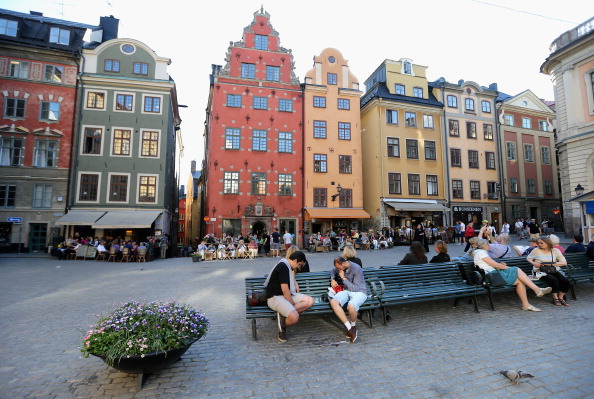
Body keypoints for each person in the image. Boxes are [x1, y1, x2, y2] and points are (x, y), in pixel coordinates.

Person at [473, 239, 551, 311]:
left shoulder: (481, 253)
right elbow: (496, 266)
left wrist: (500, 265)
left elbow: (490, 265)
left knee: (520, 282)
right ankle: (537, 290)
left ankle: (526, 305)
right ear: (484, 246)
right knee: (516, 269)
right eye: (488, 245)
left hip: (494, 275)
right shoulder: (480, 253)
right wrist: (507, 267)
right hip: (491, 277)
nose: (489, 246)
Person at [264, 251, 314, 342]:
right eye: (299, 264)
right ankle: (282, 326)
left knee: (309, 301)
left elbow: (287, 289)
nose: (299, 267)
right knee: (295, 317)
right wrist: (291, 303)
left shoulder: (287, 266)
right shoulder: (283, 266)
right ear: (295, 260)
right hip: (275, 297)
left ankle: (283, 316)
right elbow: (285, 289)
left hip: (284, 295)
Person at [330, 256, 368, 343]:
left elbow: (355, 288)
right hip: (347, 291)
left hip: (360, 291)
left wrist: (343, 278)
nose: (338, 269)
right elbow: (333, 271)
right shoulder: (340, 267)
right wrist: (332, 279)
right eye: (337, 268)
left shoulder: (356, 269)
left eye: (339, 267)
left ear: (343, 263)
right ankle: (350, 329)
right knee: (333, 302)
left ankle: (353, 326)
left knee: (351, 307)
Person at [527, 237, 571, 306]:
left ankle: (560, 297)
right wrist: (534, 263)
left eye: (542, 243)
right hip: (539, 271)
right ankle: (555, 298)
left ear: (548, 243)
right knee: (554, 280)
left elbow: (564, 262)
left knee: (565, 281)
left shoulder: (555, 250)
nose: (539, 244)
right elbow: (528, 258)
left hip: (552, 270)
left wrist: (549, 263)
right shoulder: (536, 250)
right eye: (539, 243)